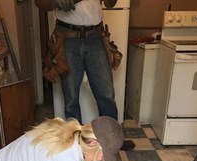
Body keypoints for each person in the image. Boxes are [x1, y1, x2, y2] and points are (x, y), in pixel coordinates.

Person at [36, 0, 135, 150]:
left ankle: (112, 141)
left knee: (106, 94)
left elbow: (110, 3)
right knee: (71, 98)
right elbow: (39, 3)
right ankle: (75, 146)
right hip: (67, 38)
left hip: (95, 37)